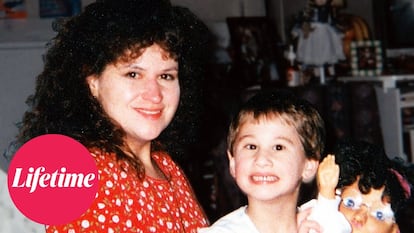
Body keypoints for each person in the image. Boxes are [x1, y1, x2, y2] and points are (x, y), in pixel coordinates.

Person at [10, 0, 211, 232]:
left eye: (166, 76)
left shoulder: (165, 164)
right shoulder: (78, 174)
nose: (155, 95)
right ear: (93, 81)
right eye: (133, 73)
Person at [199, 90, 326, 233]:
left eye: (278, 147)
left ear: (308, 166)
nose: (261, 159)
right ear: (233, 163)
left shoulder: (322, 222)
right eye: (251, 146)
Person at [302, 140, 413, 233]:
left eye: (379, 215)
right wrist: (326, 195)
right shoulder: (314, 214)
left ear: (394, 230)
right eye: (350, 203)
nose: (359, 217)